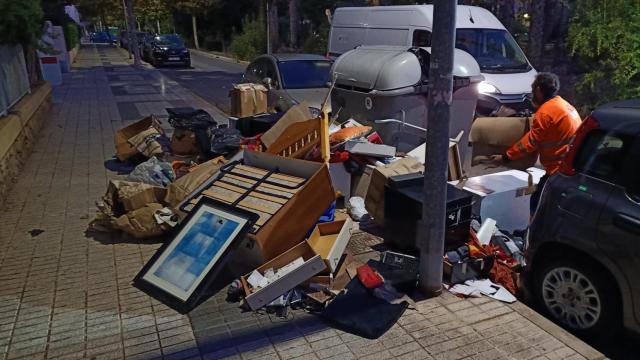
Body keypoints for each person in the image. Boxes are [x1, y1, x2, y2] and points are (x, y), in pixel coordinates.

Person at [491, 72, 582, 215]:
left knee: (538, 203)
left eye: (533, 89)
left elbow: (531, 141)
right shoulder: (564, 105)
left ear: (539, 89)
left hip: (558, 170)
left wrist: (506, 157)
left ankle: (531, 234)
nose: (532, 93)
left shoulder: (546, 112)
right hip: (571, 167)